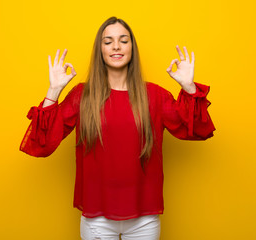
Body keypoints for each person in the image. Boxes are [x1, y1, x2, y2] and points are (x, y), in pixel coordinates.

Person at [20, 16, 216, 240]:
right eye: (108, 41)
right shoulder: (82, 95)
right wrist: (53, 91)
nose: (116, 46)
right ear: (100, 50)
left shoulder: (155, 95)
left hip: (144, 220)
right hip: (97, 219)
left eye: (123, 40)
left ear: (132, 48)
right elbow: (40, 144)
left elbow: (198, 131)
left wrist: (189, 87)